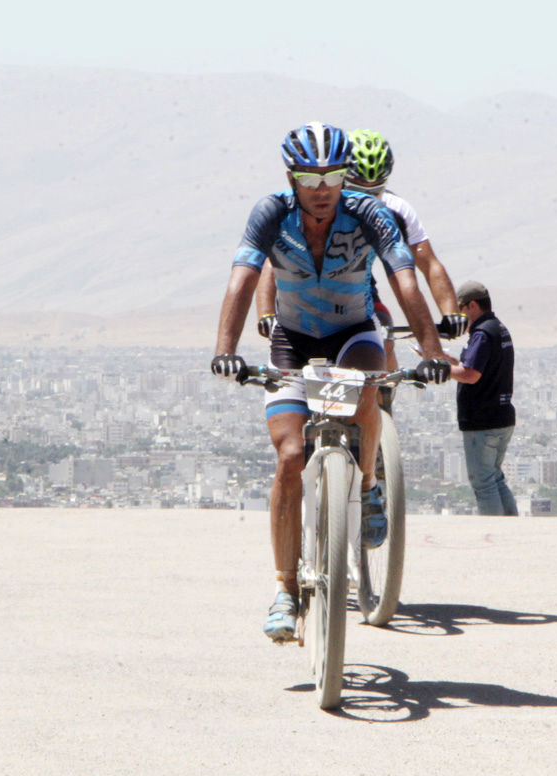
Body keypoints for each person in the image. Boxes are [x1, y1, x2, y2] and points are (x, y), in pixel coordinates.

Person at [212, 121, 449, 643]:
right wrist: (225, 350)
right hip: (293, 339)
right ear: (291, 176)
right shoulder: (272, 213)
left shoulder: (369, 213)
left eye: (333, 176)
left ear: (346, 177)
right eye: (309, 177)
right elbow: (243, 276)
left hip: (353, 332)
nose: (322, 189)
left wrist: (432, 351)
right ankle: (284, 589)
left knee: (367, 386)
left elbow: (404, 276)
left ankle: (366, 489)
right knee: (290, 456)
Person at [254, 128, 468, 372]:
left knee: (382, 329)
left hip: (361, 287)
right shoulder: (310, 209)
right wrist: (266, 312)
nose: (368, 202)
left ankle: (381, 392)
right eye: (358, 191)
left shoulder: (396, 211)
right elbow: (275, 262)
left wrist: (451, 312)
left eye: (376, 191)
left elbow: (428, 264)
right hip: (310, 300)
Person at [445, 280, 517, 515]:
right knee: (494, 477)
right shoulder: (498, 328)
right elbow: (475, 366)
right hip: (501, 416)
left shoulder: (483, 333)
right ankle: (512, 527)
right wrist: (448, 360)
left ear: (472, 306)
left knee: (483, 483)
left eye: (460, 309)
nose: (460, 317)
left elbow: (471, 374)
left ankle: (494, 534)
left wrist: (441, 371)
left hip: (482, 421)